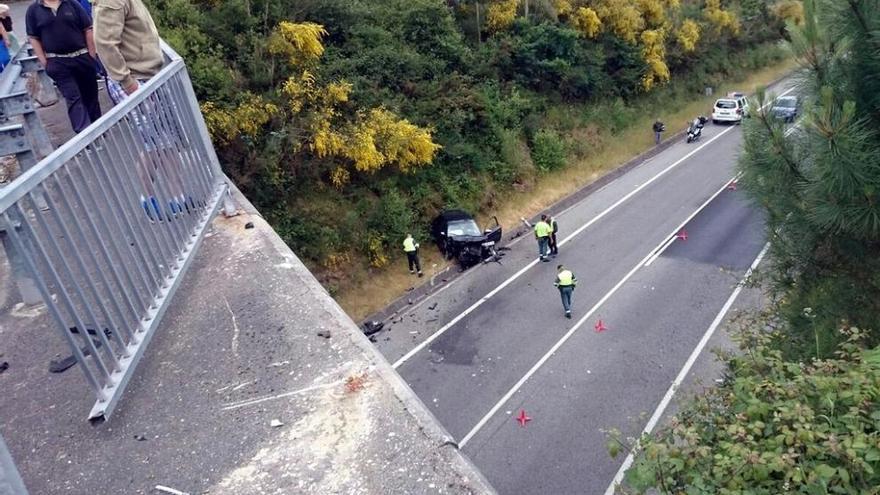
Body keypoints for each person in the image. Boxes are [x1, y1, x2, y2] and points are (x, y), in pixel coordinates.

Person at [26, 0, 102, 133]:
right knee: (73, 98)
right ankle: (84, 136)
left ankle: (98, 129)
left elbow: (87, 28)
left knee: (90, 95)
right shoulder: (33, 10)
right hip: (57, 62)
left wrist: (91, 55)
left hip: (82, 57)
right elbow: (33, 38)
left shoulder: (72, 4)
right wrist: (45, 61)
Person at [93, 0, 162, 103]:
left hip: (146, 76)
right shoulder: (111, 2)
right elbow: (105, 45)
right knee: (152, 119)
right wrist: (129, 84)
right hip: (136, 80)